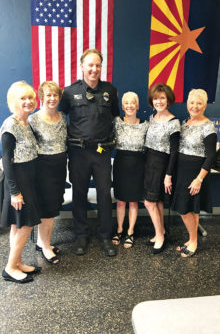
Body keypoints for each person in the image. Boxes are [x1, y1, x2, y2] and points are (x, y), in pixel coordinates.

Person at [58, 48, 120, 256]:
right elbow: (59, 119)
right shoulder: (69, 91)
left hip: (102, 152)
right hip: (78, 153)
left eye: (98, 65)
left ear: (101, 67)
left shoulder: (110, 91)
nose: (94, 69)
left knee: (104, 195)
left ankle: (105, 236)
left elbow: (115, 118)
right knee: (79, 194)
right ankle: (81, 236)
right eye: (90, 65)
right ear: (82, 66)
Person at [1, 81, 41, 284]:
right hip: (18, 182)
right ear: (14, 102)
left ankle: (16, 263)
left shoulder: (27, 122)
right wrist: (15, 192)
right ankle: (9, 268)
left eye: (30, 97)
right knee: (26, 225)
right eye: (23, 98)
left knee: (18, 226)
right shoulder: (10, 125)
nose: (28, 101)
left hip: (29, 179)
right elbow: (6, 162)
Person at [172, 89, 217, 257]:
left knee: (184, 209)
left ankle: (194, 242)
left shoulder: (208, 126)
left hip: (196, 174)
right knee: (191, 209)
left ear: (204, 106)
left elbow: (211, 156)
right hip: (182, 172)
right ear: (187, 105)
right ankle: (191, 240)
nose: (195, 106)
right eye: (192, 102)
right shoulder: (185, 123)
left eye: (199, 103)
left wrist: (199, 179)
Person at [29, 81, 67, 265]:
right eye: (48, 95)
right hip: (42, 168)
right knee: (47, 210)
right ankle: (45, 246)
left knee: (53, 207)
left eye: (55, 95)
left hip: (59, 167)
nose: (52, 98)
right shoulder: (33, 119)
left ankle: (41, 242)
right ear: (41, 97)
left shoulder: (63, 117)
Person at [144, 83, 180, 254]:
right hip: (149, 162)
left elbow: (174, 153)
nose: (159, 101)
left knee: (149, 202)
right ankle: (162, 231)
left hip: (162, 164)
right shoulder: (152, 118)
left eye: (162, 98)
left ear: (168, 100)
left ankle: (160, 237)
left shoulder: (174, 122)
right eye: (156, 98)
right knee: (156, 201)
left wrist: (168, 175)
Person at [112, 92, 148, 248]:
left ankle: (130, 231)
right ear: (122, 106)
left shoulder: (146, 125)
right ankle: (119, 229)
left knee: (133, 202)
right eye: (126, 103)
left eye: (132, 102)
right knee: (120, 201)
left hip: (138, 165)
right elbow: (104, 140)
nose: (129, 105)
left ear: (138, 106)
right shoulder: (116, 122)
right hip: (121, 163)